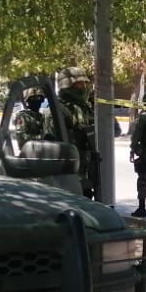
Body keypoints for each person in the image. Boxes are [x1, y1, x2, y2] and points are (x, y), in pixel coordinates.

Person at [50, 66, 99, 199]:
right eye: (79, 84)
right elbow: (51, 144)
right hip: (65, 177)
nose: (83, 87)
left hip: (85, 174)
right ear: (67, 86)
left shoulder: (84, 109)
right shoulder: (57, 110)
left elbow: (113, 130)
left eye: (84, 83)